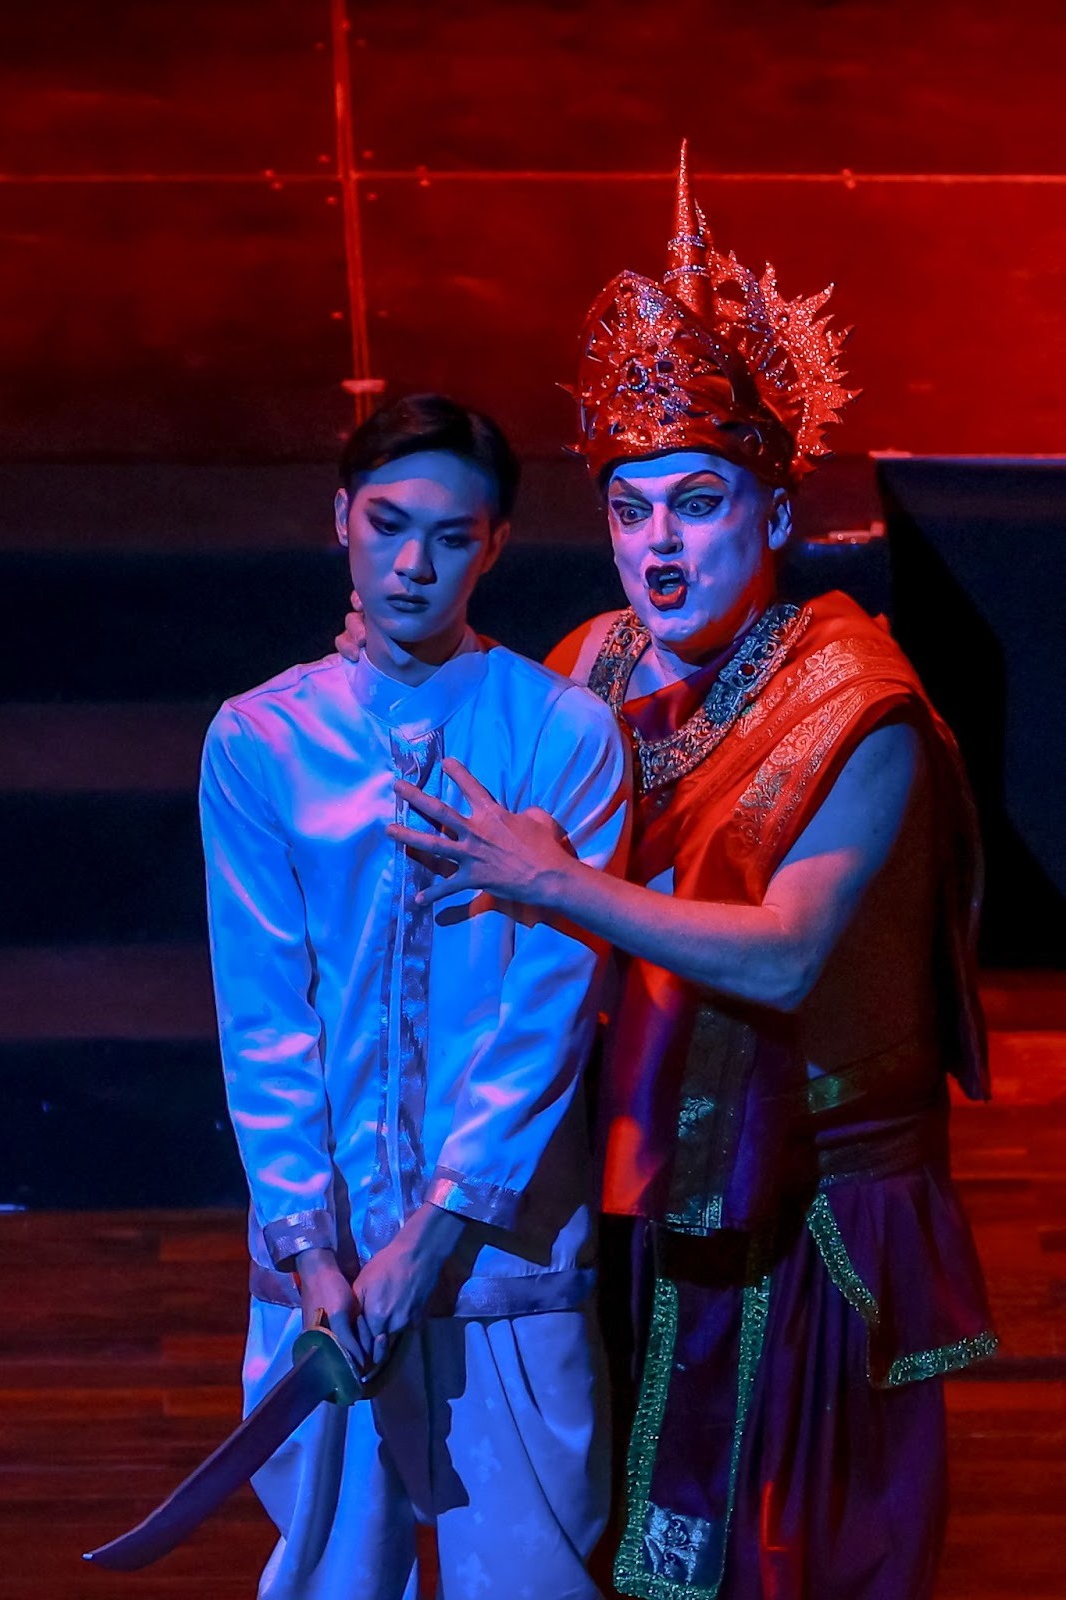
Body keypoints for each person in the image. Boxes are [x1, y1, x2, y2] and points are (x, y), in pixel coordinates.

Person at [379, 149, 997, 1599]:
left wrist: (551, 880)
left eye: (696, 504)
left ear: (775, 515)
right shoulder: (589, 663)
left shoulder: (859, 705)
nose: (656, 548)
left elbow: (782, 953)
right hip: (628, 1194)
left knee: (788, 1557)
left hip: (796, 1217)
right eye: (629, 509)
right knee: (622, 1545)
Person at [200, 393, 630, 1600]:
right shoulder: (260, 740)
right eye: (387, 524)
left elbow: (546, 1015)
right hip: (326, 1265)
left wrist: (430, 1235)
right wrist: (308, 1244)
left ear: (492, 546)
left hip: (501, 1250)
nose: (412, 562)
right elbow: (264, 1017)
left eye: (450, 535)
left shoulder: (562, 734)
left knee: (530, 1574)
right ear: (340, 519)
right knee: (334, 1570)